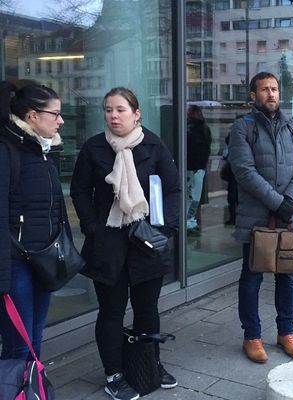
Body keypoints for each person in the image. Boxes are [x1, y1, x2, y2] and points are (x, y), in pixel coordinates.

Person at [70, 87, 181, 400]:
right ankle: (114, 373)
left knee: (147, 309)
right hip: (108, 242)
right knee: (111, 311)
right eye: (108, 110)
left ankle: (151, 363)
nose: (113, 116)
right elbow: (79, 191)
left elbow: (172, 189)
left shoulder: (154, 145)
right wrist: (93, 228)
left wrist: (164, 229)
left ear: (136, 114)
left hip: (146, 240)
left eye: (120, 109)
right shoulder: (94, 148)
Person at [228, 72, 293, 364]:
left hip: (291, 216)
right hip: (257, 217)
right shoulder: (243, 127)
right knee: (251, 277)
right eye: (264, 89)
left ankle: (285, 332)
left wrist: (288, 199)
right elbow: (243, 170)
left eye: (275, 89)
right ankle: (252, 335)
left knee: (287, 278)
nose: (271, 94)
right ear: (253, 95)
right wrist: (278, 202)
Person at [0, 82, 69, 362]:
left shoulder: (44, 152)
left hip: (42, 262)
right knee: (18, 346)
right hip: (16, 268)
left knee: (34, 341)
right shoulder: (7, 152)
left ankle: (31, 390)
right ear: (32, 116)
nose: (61, 121)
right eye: (55, 114)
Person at [186, 105, 212, 234]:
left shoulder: (191, 130)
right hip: (199, 167)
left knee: (190, 196)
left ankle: (188, 220)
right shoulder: (204, 129)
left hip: (192, 167)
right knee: (194, 196)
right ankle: (190, 220)